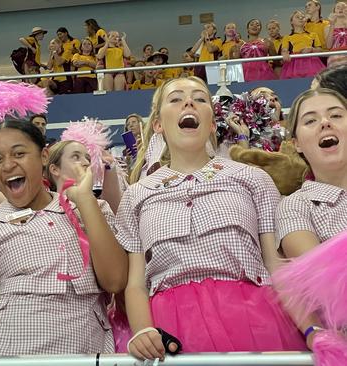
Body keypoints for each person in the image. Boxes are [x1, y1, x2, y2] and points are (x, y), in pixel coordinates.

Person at [117, 77, 306, 359]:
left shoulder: (252, 178)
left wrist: (312, 329)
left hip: (253, 320)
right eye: (176, 98)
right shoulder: (136, 195)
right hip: (170, 331)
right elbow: (135, 283)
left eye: (200, 98)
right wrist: (144, 330)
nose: (189, 102)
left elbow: (274, 264)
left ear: (210, 122)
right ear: (158, 124)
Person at [0, 120, 126, 356]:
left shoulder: (92, 208)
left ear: (43, 157)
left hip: (78, 353)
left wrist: (85, 200)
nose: (8, 165)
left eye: (19, 153)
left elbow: (114, 281)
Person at [275, 88, 347, 350]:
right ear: (296, 143)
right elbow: (323, 282)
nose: (325, 122)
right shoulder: (294, 206)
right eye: (310, 120)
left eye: (336, 115)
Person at [281, 10, 326, 79]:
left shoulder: (313, 35)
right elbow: (284, 49)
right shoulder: (287, 37)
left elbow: (319, 50)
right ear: (291, 22)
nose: (300, 18)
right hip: (294, 66)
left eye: (302, 17)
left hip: (313, 63)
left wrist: (312, 49)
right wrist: (284, 53)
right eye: (297, 17)